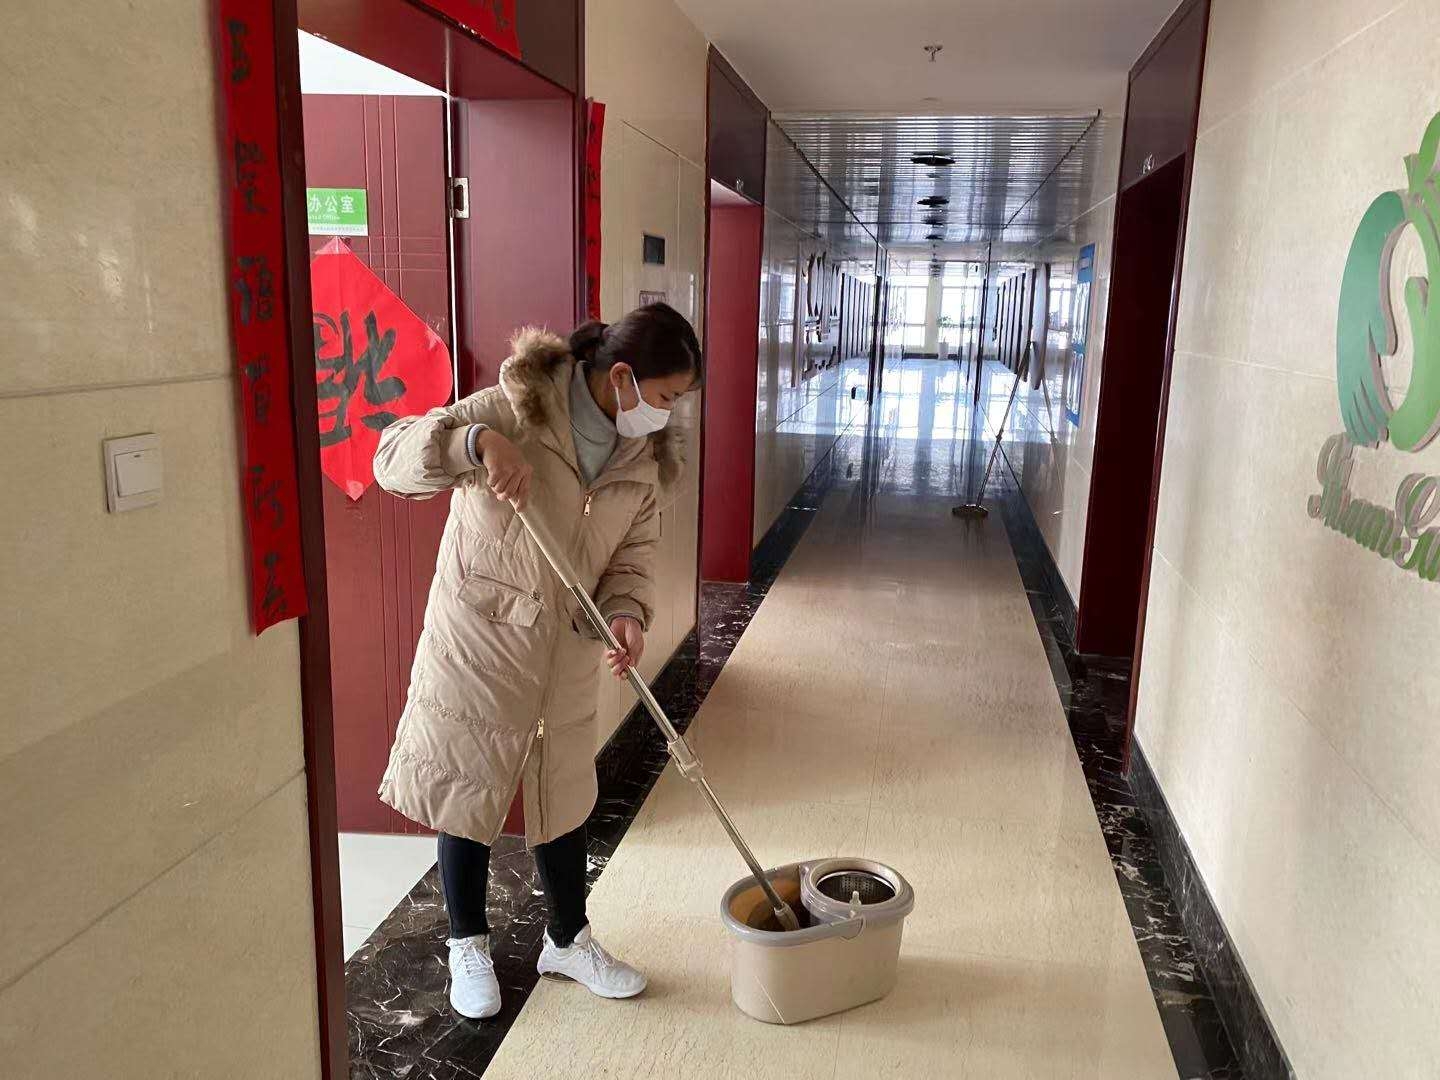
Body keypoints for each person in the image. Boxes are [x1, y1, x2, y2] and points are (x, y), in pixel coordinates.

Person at [372, 302, 701, 1019]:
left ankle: (567, 939)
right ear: (623, 376)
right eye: (667, 394)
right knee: (467, 783)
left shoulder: (642, 459)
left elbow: (634, 556)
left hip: (568, 647)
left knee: (565, 791)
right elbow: (391, 458)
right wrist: (477, 443)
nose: (669, 412)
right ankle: (467, 943)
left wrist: (626, 613)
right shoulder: (511, 409)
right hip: (482, 640)